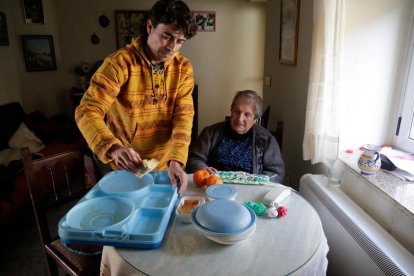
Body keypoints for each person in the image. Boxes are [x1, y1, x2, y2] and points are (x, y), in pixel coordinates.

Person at [75, 0, 198, 196]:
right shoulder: (119, 63)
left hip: (165, 165)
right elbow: (87, 111)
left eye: (180, 41)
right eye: (167, 36)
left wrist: (177, 160)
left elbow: (183, 116)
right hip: (125, 166)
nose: (172, 47)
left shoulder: (184, 68)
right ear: (150, 27)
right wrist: (113, 148)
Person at [187, 90, 285, 183]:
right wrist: (203, 169)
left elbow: (276, 172)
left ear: (255, 118)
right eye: (237, 112)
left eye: (247, 114)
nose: (239, 118)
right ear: (231, 111)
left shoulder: (266, 139)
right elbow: (194, 158)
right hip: (213, 185)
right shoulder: (211, 133)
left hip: (249, 190)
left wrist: (256, 180)